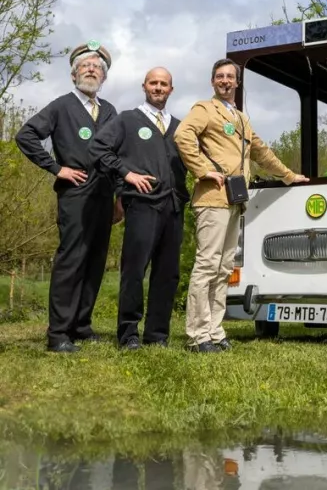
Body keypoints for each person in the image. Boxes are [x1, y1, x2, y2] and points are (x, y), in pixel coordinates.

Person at [174, 58, 308, 354]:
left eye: (229, 77)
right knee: (207, 265)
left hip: (236, 200)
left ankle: (215, 330)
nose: (224, 81)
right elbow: (182, 135)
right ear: (213, 82)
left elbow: (261, 151)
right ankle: (197, 336)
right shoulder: (204, 109)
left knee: (224, 268)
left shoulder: (241, 118)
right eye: (219, 76)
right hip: (212, 199)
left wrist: (288, 175)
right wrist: (201, 170)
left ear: (237, 83)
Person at [15, 41, 120, 353]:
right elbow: (26, 135)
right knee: (71, 260)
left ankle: (81, 326)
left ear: (103, 77)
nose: (91, 70)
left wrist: (119, 198)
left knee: (95, 261)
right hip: (75, 195)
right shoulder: (62, 106)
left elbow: (115, 154)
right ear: (74, 74)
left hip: (104, 196)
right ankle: (58, 333)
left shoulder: (111, 111)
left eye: (97, 67)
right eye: (85, 66)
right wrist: (56, 168)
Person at [89, 67, 189, 350]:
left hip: (174, 205)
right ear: (144, 86)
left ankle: (157, 335)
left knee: (168, 273)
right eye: (153, 83)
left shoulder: (181, 127)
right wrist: (126, 174)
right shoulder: (127, 120)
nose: (158, 88)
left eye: (164, 84)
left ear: (171, 89)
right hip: (142, 205)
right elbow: (98, 149)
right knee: (134, 270)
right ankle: (129, 333)